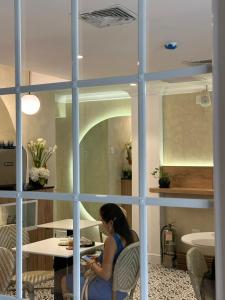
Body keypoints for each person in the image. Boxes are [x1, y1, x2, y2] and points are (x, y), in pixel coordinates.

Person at [61, 203, 139, 300]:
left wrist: (92, 265)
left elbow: (106, 275)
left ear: (110, 223)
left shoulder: (111, 241)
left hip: (107, 292)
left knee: (65, 280)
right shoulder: (133, 235)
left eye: (102, 221)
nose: (102, 224)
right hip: (124, 290)